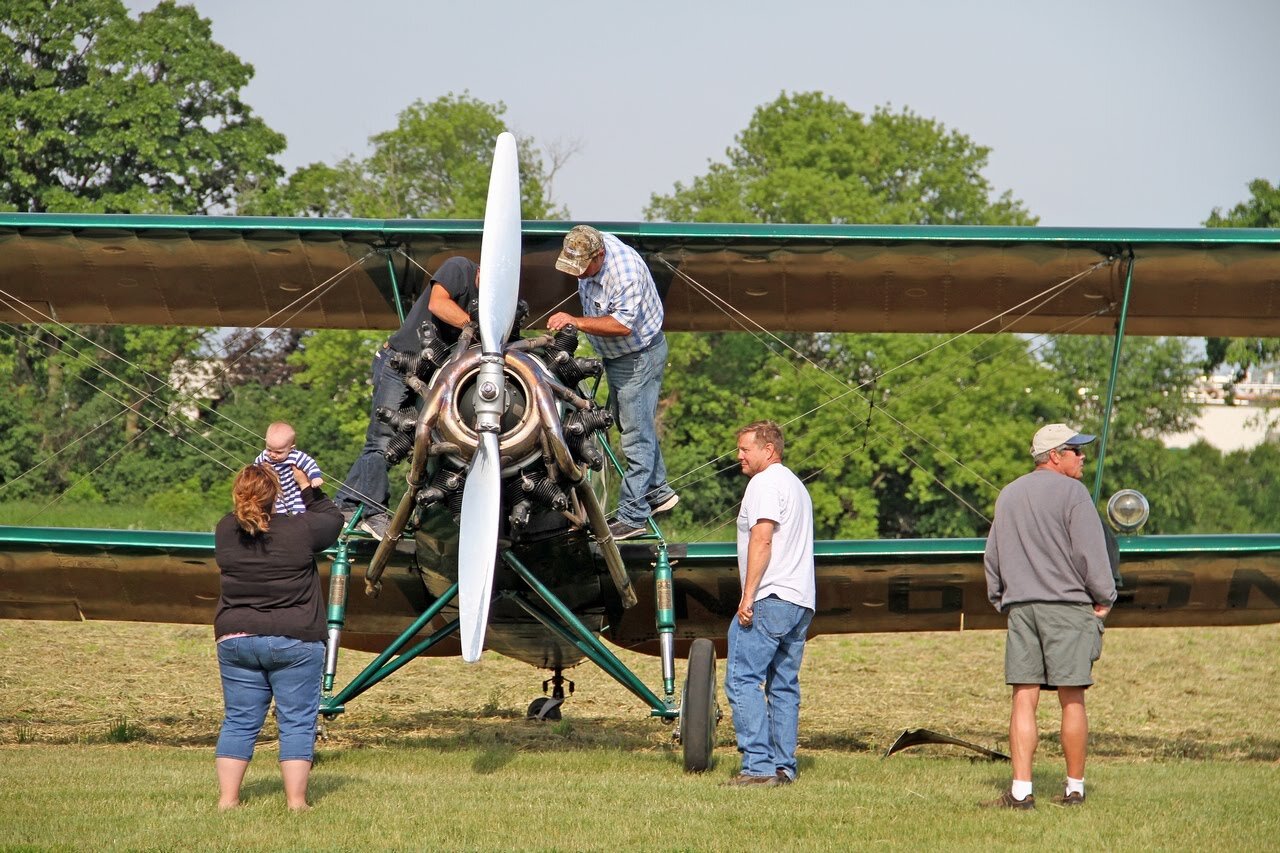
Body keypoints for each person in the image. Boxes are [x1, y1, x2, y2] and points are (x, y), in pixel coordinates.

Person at [983, 423, 1117, 809]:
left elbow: (992, 556)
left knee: (1023, 697)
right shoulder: (1074, 493)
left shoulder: (1008, 494)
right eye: (1076, 451)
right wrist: (1104, 597)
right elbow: (1091, 553)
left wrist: (1001, 599)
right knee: (1072, 697)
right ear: (1056, 455)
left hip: (1022, 608)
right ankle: (1074, 788)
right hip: (1068, 608)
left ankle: (1021, 791)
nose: (1083, 457)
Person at [213, 462, 343, 811]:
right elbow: (333, 519)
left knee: (239, 720)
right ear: (276, 496)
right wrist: (308, 488)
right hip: (295, 639)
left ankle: (228, 801)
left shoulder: (225, 529)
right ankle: (297, 803)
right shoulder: (300, 529)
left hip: (235, 638)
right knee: (297, 720)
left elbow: (251, 525)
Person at [335, 256, 479, 539]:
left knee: (407, 440)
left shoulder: (498, 306)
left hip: (428, 377)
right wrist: (474, 325)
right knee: (382, 439)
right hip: (399, 362)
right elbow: (438, 303)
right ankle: (372, 511)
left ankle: (344, 504)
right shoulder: (459, 268)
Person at [548, 225, 677, 540]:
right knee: (626, 422)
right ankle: (659, 492)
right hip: (618, 358)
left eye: (583, 269)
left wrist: (575, 321)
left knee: (635, 436)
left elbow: (622, 325)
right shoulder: (588, 241)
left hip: (638, 356)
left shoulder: (625, 272)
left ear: (600, 255)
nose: (577, 275)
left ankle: (634, 517)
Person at [722, 420, 816, 787]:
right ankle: (782, 767)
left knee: (742, 678)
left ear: (769, 450)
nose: (739, 456)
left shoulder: (763, 483)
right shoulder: (796, 485)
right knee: (783, 685)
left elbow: (762, 539)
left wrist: (747, 596)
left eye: (745, 449)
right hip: (801, 600)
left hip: (770, 596)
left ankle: (758, 766)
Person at [253, 421, 323, 515]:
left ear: (291, 448)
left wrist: (315, 477)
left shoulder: (295, 456)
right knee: (276, 512)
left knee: (300, 509)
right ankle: (282, 524)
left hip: (294, 491)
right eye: (269, 449)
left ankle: (299, 524)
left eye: (279, 452)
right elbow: (255, 469)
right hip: (276, 493)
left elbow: (310, 464)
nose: (273, 455)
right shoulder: (264, 456)